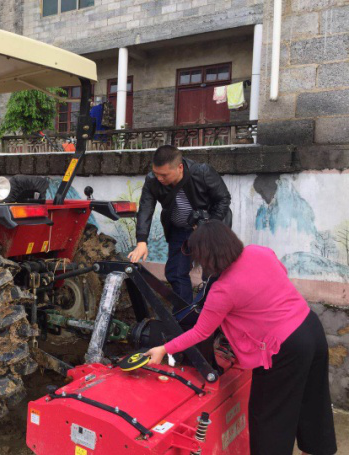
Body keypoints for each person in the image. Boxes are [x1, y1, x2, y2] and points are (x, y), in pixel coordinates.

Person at [146, 221, 337, 455]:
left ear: (205, 256)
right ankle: (320, 449)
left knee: (269, 416)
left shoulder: (223, 290)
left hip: (284, 348)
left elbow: (201, 332)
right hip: (310, 326)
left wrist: (164, 349)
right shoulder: (259, 252)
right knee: (313, 400)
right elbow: (279, 276)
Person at [128, 145, 231, 308]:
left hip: (209, 230)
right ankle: (184, 315)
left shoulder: (202, 172)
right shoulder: (152, 180)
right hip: (179, 231)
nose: (159, 178)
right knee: (175, 272)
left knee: (212, 274)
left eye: (164, 174)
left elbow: (223, 199)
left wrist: (208, 224)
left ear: (180, 167)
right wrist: (142, 241)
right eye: (156, 173)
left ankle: (212, 313)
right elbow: (146, 208)